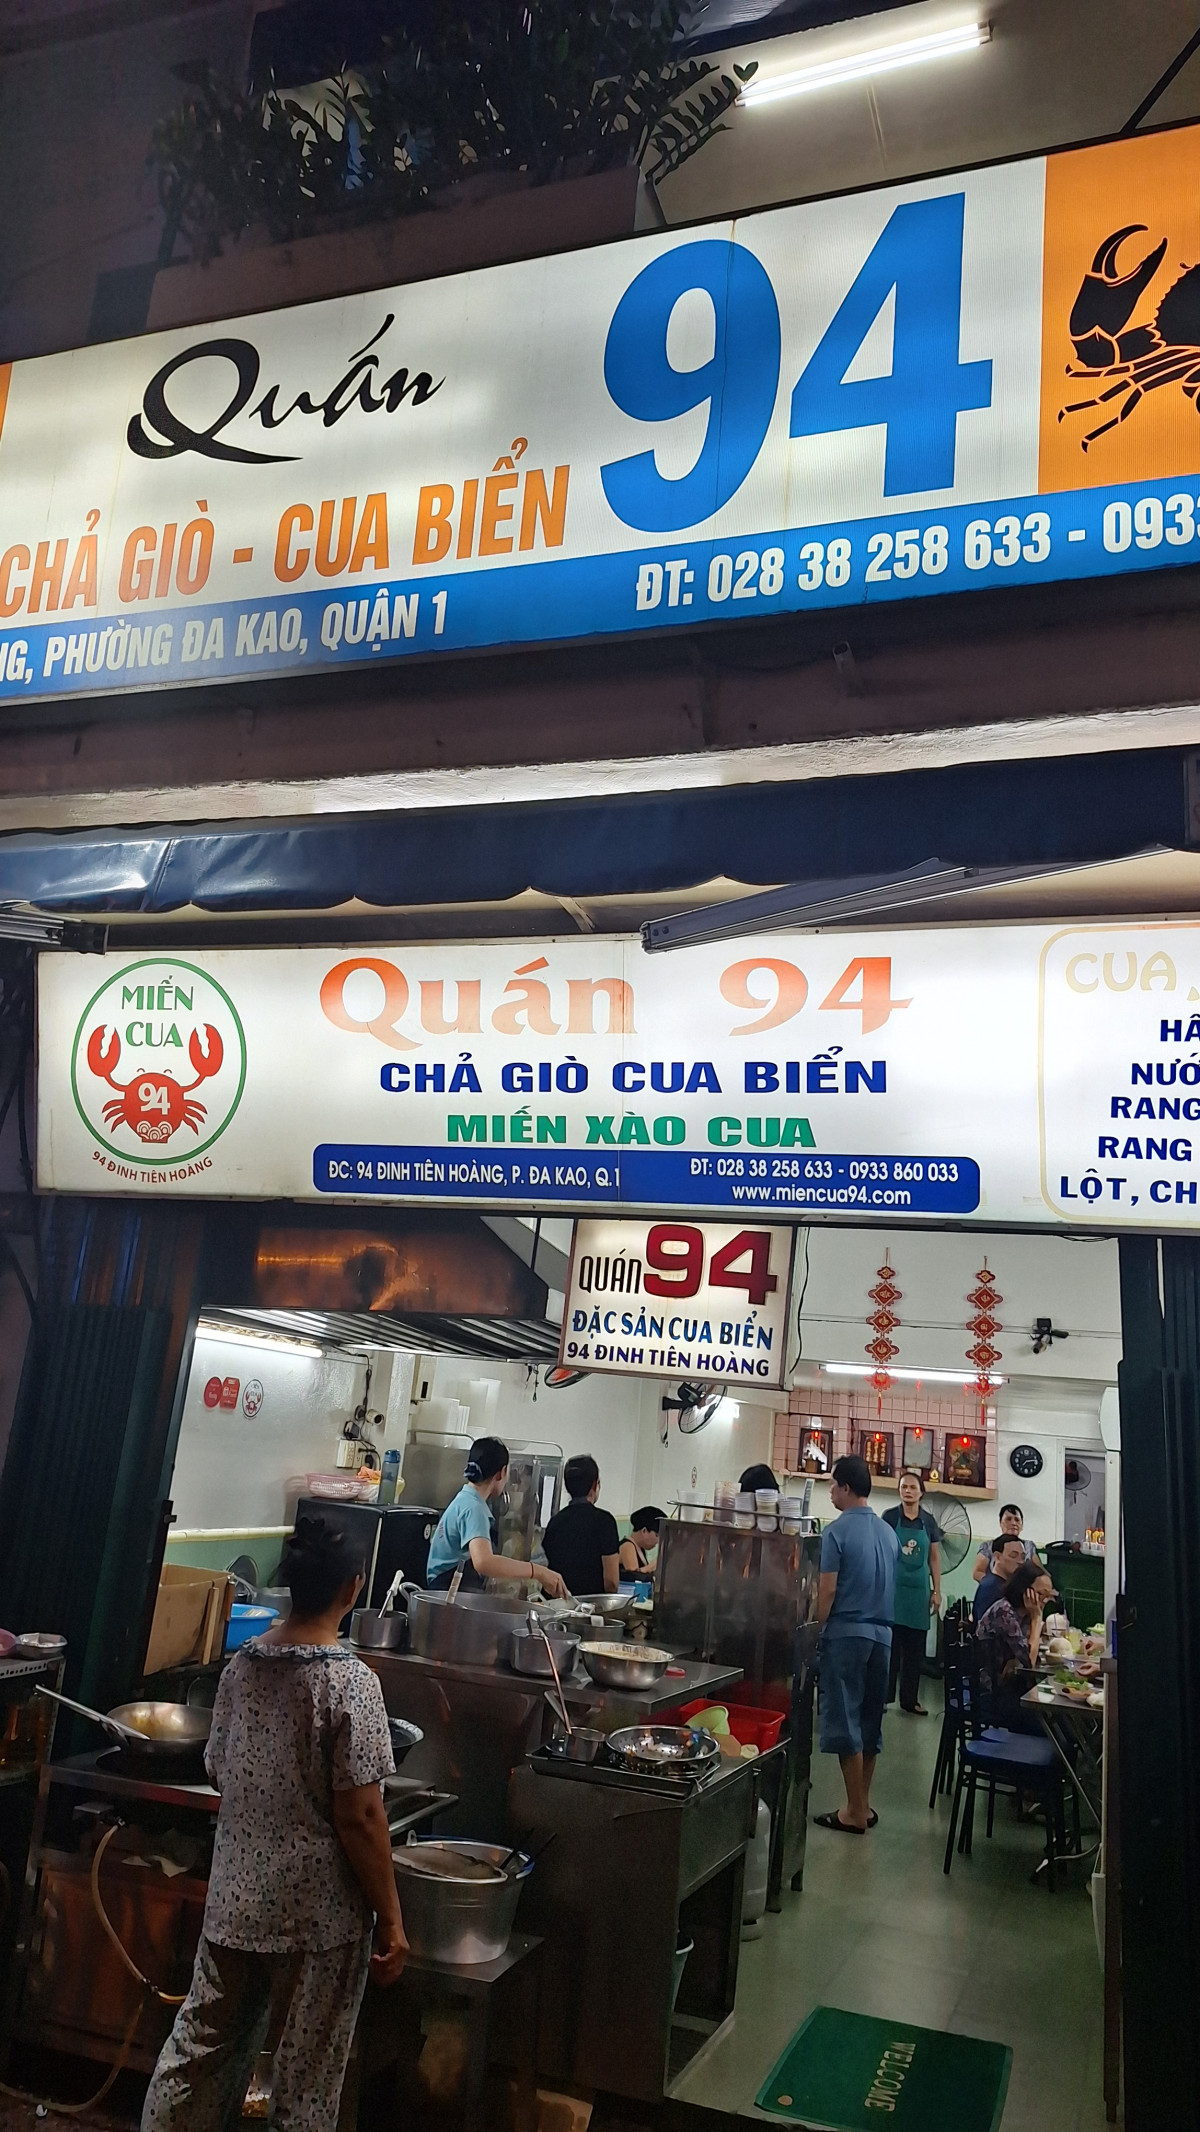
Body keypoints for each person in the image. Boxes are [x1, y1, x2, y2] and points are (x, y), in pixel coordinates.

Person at [141, 1515, 407, 2132]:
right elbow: (362, 1815)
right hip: (318, 1921)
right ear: (352, 1588)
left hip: (235, 1902)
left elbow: (218, 1768)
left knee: (199, 2053)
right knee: (306, 2080)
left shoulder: (242, 1667)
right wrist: (391, 1919)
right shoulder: (350, 1683)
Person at [813, 1453, 899, 1835]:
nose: (830, 1491)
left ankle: (854, 1813)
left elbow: (827, 1591)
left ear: (846, 1488)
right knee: (869, 1721)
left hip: (847, 1635)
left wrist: (813, 1631)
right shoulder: (889, 1533)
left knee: (846, 1720)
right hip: (883, 1637)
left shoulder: (835, 1532)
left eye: (833, 1485)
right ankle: (860, 1805)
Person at [425, 1436, 567, 1596]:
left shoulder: (465, 1499)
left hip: (444, 1592)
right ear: (502, 1473)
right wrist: (538, 1571)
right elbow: (483, 1562)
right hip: (446, 1595)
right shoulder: (474, 1508)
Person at [881, 1469, 942, 1715]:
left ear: (921, 1493)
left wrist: (937, 1591)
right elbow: (881, 1550)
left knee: (915, 1651)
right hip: (893, 1591)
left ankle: (910, 1700)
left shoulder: (928, 1521)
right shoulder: (889, 1517)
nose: (907, 1491)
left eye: (912, 1487)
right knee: (890, 1648)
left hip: (919, 1593)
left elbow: (934, 1557)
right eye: (903, 1487)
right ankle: (883, 1698)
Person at [976, 1558, 1057, 1730]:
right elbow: (1029, 1660)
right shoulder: (1005, 1612)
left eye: (1049, 1595)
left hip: (1011, 1685)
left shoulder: (1023, 1614)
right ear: (1025, 1591)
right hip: (993, 1693)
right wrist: (1037, 1619)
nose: (1045, 1601)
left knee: (1057, 1719)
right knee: (1049, 1723)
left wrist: (1016, 1660)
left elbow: (1024, 1652)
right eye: (1041, 1594)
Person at [542, 1454, 622, 1595]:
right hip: (591, 1604)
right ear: (595, 1485)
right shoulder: (604, 1522)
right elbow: (611, 1582)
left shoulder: (556, 1522)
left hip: (558, 1602)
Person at [972, 1503, 1039, 1582]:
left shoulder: (1029, 1546)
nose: (1013, 1523)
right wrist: (996, 1584)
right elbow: (977, 1572)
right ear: (1001, 1523)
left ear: (1022, 1525)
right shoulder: (988, 1546)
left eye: (1017, 1520)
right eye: (1008, 1519)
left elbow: (1039, 1573)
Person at [972, 1532, 1028, 1621]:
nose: (1020, 1561)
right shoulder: (990, 1587)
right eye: (1013, 1556)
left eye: (1023, 1557)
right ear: (997, 1557)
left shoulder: (1007, 1585)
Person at [620, 1505, 666, 1582]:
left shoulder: (640, 1548)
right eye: (657, 1536)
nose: (658, 1541)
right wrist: (654, 1565)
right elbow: (634, 1577)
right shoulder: (628, 1546)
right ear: (644, 1531)